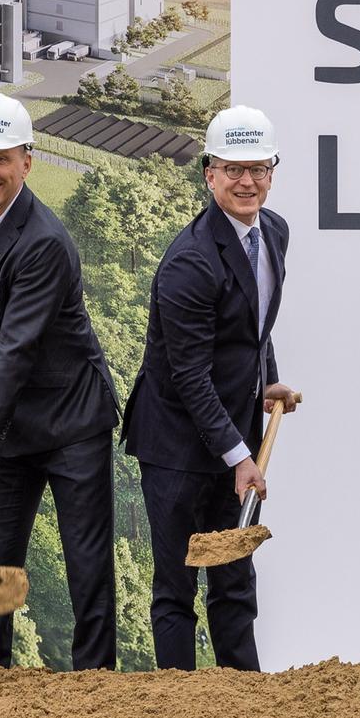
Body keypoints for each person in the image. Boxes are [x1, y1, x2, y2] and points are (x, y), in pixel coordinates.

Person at [0, 93, 121, 670]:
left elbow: (18, 347)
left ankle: (96, 687)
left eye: (1, 160)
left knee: (86, 563)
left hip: (70, 423)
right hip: (7, 417)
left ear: (27, 162)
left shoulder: (44, 243)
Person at [123, 106, 299, 671]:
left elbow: (254, 325)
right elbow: (188, 375)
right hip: (175, 446)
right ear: (209, 174)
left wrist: (266, 378)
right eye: (233, 170)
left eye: (258, 168)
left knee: (234, 577)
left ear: (272, 171)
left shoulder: (273, 232)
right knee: (177, 589)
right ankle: (181, 714)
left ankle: (241, 699)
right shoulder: (190, 262)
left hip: (232, 440)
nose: (247, 182)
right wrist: (239, 456)